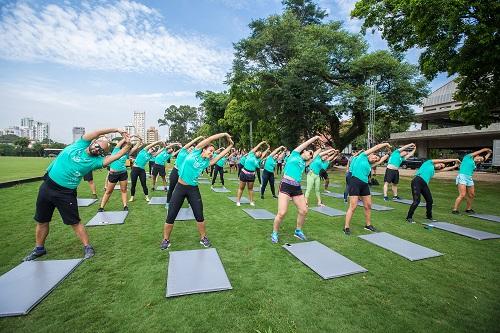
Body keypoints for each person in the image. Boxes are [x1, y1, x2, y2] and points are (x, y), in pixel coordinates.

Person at [23, 128, 131, 261]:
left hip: (65, 193)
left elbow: (117, 155)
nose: (97, 149)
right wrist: (117, 129)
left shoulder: (95, 162)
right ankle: (39, 248)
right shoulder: (79, 144)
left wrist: (128, 145)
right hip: (47, 187)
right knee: (42, 220)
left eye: (101, 151)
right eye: (98, 146)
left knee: (74, 222)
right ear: (93, 142)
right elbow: (97, 132)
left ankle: (87, 247)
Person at [161, 133, 233, 249]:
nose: (211, 153)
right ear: (203, 149)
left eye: (212, 152)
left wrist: (230, 146)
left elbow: (220, 156)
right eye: (210, 150)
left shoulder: (206, 163)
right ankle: (165, 239)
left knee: (199, 215)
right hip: (180, 187)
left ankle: (203, 238)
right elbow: (209, 138)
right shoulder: (196, 151)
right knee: (171, 215)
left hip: (193, 189)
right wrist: (224, 134)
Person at [271, 136, 322, 243]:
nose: (310, 156)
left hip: (296, 187)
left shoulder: (305, 163)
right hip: (285, 185)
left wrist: (321, 147)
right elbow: (306, 143)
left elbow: (316, 155)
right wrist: (316, 137)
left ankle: (298, 231)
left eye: (311, 155)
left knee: (304, 210)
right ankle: (274, 233)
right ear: (304, 151)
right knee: (282, 213)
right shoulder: (295, 154)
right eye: (309, 153)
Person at [343, 143, 392, 235]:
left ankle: (368, 225)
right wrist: (386, 144)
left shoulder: (370, 165)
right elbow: (376, 147)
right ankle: (346, 227)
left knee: (368, 205)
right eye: (374, 157)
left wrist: (388, 153)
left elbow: (382, 159)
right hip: (355, 182)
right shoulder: (362, 156)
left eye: (376, 159)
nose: (374, 159)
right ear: (371, 154)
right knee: (353, 206)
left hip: (364, 185)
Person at [406, 159, 460, 223]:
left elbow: (446, 169)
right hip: (417, 181)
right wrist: (455, 159)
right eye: (440, 164)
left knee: (430, 200)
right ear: (437, 162)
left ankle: (429, 217)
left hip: (424, 185)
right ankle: (409, 217)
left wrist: (455, 166)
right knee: (417, 201)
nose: (440, 166)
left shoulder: (434, 171)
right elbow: (445, 160)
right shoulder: (428, 163)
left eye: (441, 166)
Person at [98, 135, 142, 212]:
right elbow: (119, 143)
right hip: (113, 174)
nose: (127, 147)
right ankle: (101, 207)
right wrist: (128, 137)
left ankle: (125, 206)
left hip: (123, 173)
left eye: (128, 146)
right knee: (108, 191)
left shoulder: (127, 153)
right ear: (123, 145)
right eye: (126, 145)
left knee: (124, 190)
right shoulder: (116, 150)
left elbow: (136, 147)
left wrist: (139, 139)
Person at [452, 148, 492, 214]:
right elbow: (478, 152)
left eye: (480, 160)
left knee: (472, 195)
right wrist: (485, 149)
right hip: (462, 177)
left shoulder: (474, 163)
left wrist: (489, 153)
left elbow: (484, 159)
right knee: (462, 194)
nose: (479, 160)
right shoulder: (468, 157)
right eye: (479, 158)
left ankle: (468, 209)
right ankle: (455, 209)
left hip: (469, 178)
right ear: (477, 155)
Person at [166, 136, 205, 203]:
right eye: (190, 148)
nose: (191, 149)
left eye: (192, 149)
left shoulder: (192, 157)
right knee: (171, 188)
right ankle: (168, 202)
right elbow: (190, 143)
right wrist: (198, 138)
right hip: (175, 172)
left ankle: (190, 202)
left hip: (184, 174)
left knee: (187, 188)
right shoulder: (183, 151)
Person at [236, 141, 269, 206]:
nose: (259, 153)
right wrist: (262, 142)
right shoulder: (251, 154)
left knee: (250, 189)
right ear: (255, 152)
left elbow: (264, 154)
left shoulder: (258, 160)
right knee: (241, 188)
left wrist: (268, 149)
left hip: (251, 175)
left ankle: (251, 201)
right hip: (244, 173)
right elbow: (256, 147)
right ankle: (238, 201)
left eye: (260, 154)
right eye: (258, 152)